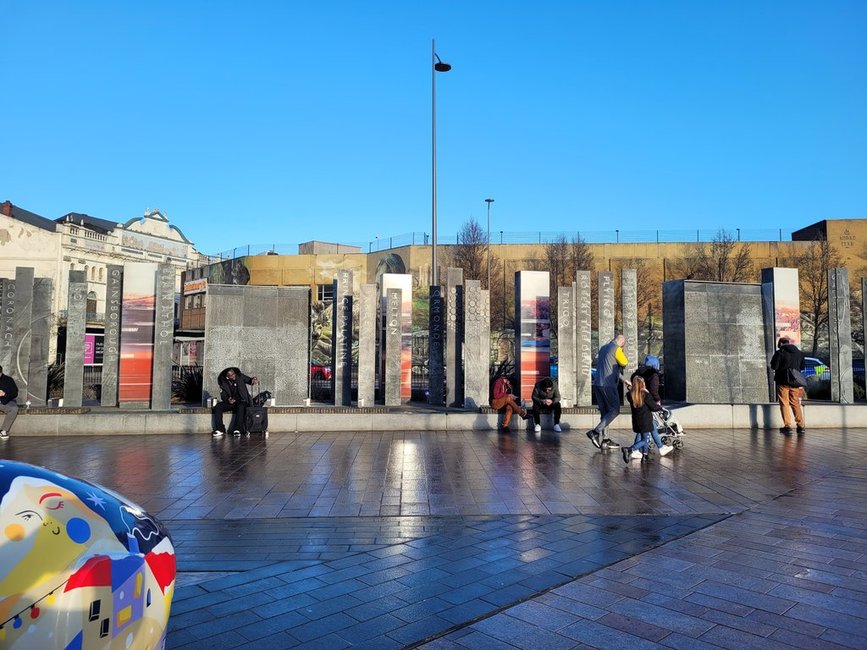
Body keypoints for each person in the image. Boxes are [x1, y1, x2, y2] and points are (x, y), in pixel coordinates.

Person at [587, 334, 631, 450]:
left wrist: (624, 380)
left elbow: (608, 367)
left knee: (605, 413)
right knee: (614, 410)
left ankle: (605, 440)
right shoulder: (616, 349)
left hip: (597, 384)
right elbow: (624, 362)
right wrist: (621, 350)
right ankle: (595, 432)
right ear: (622, 342)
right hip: (608, 386)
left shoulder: (603, 348)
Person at [630, 355, 673, 458]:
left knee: (649, 426)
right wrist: (657, 401)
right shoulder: (653, 375)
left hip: (638, 403)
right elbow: (654, 390)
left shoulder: (637, 373)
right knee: (646, 427)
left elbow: (633, 387)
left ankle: (654, 449)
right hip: (648, 403)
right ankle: (633, 449)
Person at [622, 375, 662, 463]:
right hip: (646, 421)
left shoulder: (630, 395)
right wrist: (659, 406)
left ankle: (645, 456)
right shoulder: (645, 394)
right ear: (642, 384)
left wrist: (630, 386)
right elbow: (653, 407)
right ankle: (629, 449)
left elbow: (634, 390)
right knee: (645, 439)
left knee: (644, 437)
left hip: (636, 421)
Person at [770, 337, 806, 433]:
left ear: (780, 344)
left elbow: (774, 366)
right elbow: (802, 367)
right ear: (789, 343)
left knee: (784, 403)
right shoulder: (799, 353)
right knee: (795, 403)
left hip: (783, 382)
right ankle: (801, 426)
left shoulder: (780, 353)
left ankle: (787, 426)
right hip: (795, 382)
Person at [212, 367, 258, 437]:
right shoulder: (223, 383)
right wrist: (228, 400)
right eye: (231, 375)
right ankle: (220, 429)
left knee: (241, 406)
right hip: (231, 402)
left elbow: (249, 380)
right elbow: (223, 396)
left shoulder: (239, 376)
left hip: (242, 401)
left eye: (234, 373)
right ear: (227, 377)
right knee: (218, 406)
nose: (234, 376)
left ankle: (238, 429)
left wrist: (253, 380)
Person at [0, 366, 19, 440]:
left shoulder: (8, 380)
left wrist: (4, 394)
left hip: (5, 401)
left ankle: (3, 431)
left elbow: (15, 393)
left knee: (14, 409)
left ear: (1, 373)